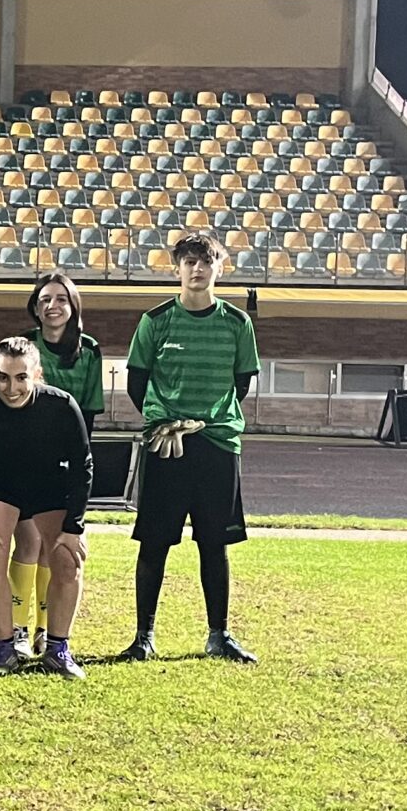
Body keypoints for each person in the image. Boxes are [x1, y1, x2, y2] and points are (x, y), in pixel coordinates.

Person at [121, 231, 260, 664]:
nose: (197, 269)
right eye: (188, 262)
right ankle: (144, 635)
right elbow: (136, 382)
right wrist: (170, 419)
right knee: (155, 542)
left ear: (220, 267)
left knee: (214, 543)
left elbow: (242, 383)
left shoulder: (237, 324)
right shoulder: (156, 320)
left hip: (218, 443)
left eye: (206, 261)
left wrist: (207, 419)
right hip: (168, 446)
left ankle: (219, 634)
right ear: (176, 268)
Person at [0, 337, 92, 678]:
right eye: (3, 377)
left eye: (21, 377)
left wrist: (73, 527)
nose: (11, 387)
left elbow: (83, 467)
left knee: (67, 559)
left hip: (49, 488)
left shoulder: (62, 405)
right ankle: (4, 649)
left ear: (37, 374)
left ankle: (58, 648)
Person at [16, 270, 105, 653]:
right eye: (45, 300)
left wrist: (74, 463)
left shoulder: (89, 350)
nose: (53, 307)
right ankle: (19, 631)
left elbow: (89, 415)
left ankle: (43, 628)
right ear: (35, 308)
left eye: (60, 299)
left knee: (57, 546)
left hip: (64, 464)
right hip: (23, 459)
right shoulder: (24, 345)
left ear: (73, 306)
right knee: (27, 544)